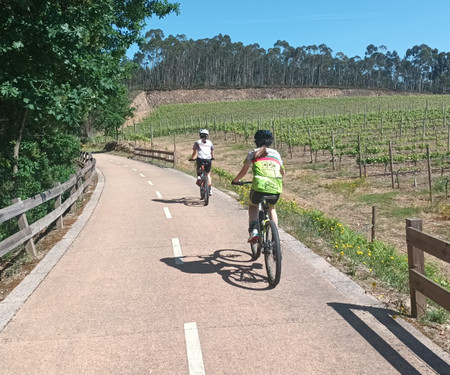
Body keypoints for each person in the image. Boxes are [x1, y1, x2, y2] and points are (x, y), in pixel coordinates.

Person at [232, 130, 285, 243]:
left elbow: (243, 172)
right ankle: (275, 238)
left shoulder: (252, 153)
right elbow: (282, 173)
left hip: (259, 187)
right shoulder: (276, 154)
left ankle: (254, 231)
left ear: (256, 141)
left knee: (253, 206)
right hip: (275, 186)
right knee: (271, 208)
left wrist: (236, 180)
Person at [190, 129, 214, 195]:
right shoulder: (210, 142)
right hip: (208, 159)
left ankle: (198, 177)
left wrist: (192, 158)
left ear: (200, 135)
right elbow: (212, 151)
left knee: (198, 168)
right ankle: (210, 190)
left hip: (200, 159)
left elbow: (194, 152)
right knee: (208, 174)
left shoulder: (197, 142)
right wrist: (212, 157)